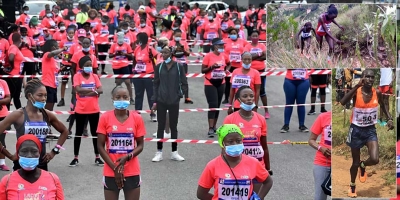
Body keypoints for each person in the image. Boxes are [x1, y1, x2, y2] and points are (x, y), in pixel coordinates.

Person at [339, 69, 394, 198]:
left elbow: (383, 105)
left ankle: (363, 166)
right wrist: (357, 85)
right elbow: (343, 102)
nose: (370, 79)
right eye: (367, 77)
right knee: (355, 162)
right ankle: (352, 185)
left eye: (372, 77)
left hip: (370, 130)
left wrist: (389, 118)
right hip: (356, 130)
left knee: (375, 159)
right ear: (362, 78)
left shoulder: (377, 92)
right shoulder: (356, 91)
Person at [0, 79, 69, 171]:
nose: (44, 98)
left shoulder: (47, 115)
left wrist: (54, 151)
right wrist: (10, 156)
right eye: (40, 95)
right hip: (21, 162)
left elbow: (64, 131)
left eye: (45, 95)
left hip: (41, 162)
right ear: (29, 96)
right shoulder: (18, 115)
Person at [197, 124, 273, 200]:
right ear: (222, 144)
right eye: (230, 141)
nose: (235, 144)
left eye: (238, 140)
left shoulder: (253, 162)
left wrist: (259, 198)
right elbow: (201, 194)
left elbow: (268, 181)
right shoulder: (212, 165)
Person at [97, 86, 145, 200]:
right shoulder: (105, 118)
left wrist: (128, 156)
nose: (122, 100)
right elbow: (100, 146)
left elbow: (141, 145)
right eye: (118, 97)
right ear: (112, 99)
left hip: (132, 170)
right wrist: (115, 168)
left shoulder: (137, 118)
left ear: (129, 98)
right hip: (110, 170)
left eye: (125, 97)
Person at [224, 86, 272, 194]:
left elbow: (264, 146)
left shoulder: (261, 119)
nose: (249, 98)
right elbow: (225, 147)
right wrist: (225, 167)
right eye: (245, 96)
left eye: (251, 96)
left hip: (258, 166)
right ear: (238, 100)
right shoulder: (230, 119)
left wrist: (268, 168)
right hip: (237, 166)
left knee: (255, 196)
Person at [151, 46, 188, 162]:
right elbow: (156, 84)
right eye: (162, 52)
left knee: (174, 126)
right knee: (160, 127)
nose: (164, 54)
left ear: (171, 53)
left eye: (166, 52)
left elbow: (184, 82)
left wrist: (179, 94)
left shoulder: (178, 66)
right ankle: (159, 152)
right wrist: (155, 100)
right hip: (161, 100)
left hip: (174, 100)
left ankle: (174, 152)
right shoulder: (159, 66)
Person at [0, 135, 64, 199]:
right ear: (18, 154)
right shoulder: (7, 181)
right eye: (24, 151)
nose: (29, 155)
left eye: (34, 151)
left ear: (39, 153)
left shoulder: (53, 179)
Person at [69, 56, 104, 167]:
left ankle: (97, 157)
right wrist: (93, 91)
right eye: (87, 65)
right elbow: (77, 90)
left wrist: (86, 93)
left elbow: (101, 90)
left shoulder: (94, 76)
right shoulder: (77, 76)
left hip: (94, 109)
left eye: (90, 65)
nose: (89, 67)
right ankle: (75, 157)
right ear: (82, 66)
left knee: (95, 134)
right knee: (78, 133)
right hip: (81, 109)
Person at [202, 38, 230, 138]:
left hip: (221, 82)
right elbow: (203, 70)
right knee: (212, 105)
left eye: (222, 45)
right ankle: (210, 128)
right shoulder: (208, 56)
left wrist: (226, 70)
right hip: (210, 83)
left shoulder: (224, 56)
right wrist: (211, 67)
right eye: (219, 45)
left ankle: (214, 126)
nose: (222, 47)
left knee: (217, 105)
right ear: (214, 46)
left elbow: (229, 63)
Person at [132, 32, 158, 122]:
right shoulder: (137, 49)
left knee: (150, 95)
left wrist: (156, 72)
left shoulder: (150, 49)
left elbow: (157, 57)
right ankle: (137, 114)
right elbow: (134, 60)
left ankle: (153, 113)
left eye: (138, 38)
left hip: (149, 75)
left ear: (142, 39)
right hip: (138, 75)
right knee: (138, 94)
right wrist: (133, 69)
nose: (136, 40)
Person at [244, 31, 269, 119]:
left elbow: (265, 56)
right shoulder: (247, 46)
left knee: (262, 91)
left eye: (256, 36)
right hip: (250, 71)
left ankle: (266, 111)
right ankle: (249, 110)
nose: (255, 37)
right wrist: (259, 54)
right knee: (250, 90)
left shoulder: (262, 46)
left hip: (261, 71)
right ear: (250, 37)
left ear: (259, 37)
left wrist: (253, 57)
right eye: (253, 36)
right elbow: (247, 57)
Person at [308, 111, 332, 200]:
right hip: (322, 162)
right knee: (320, 197)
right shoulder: (323, 117)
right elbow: (311, 140)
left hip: (338, 165)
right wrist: (321, 148)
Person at [109, 31, 134, 105]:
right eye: (118, 37)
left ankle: (131, 98)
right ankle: (118, 98)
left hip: (125, 65)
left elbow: (131, 55)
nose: (120, 39)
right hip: (116, 66)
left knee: (128, 83)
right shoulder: (113, 45)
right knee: (118, 83)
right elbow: (110, 55)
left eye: (121, 37)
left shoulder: (127, 45)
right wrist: (115, 54)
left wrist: (125, 54)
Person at [41, 40, 67, 111]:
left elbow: (54, 72)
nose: (58, 49)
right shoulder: (46, 54)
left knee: (51, 107)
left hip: (53, 85)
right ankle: (45, 121)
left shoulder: (53, 60)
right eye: (57, 48)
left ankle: (47, 120)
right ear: (53, 47)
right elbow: (51, 53)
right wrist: (62, 49)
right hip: (47, 85)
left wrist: (61, 69)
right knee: (48, 108)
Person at [3, 33, 24, 110]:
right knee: (12, 96)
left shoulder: (15, 48)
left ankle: (21, 115)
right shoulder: (13, 48)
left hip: (17, 75)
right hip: (13, 75)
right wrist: (12, 66)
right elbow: (11, 58)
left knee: (16, 97)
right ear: (20, 39)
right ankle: (7, 114)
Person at [0, 78, 10, 171]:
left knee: (1, 139)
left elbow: (8, 98)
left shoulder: (3, 82)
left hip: (3, 116)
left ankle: (2, 163)